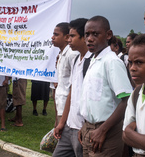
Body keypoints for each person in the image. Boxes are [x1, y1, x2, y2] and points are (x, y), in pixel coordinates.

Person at [78, 16, 133, 156]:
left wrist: (102, 130)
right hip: (89, 129)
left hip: (107, 132)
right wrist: (86, 127)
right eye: (87, 34)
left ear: (108, 35)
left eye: (95, 34)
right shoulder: (94, 60)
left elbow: (126, 101)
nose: (89, 39)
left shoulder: (112, 62)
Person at [53, 18, 91, 157]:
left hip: (81, 126)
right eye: (68, 36)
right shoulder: (77, 59)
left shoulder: (92, 62)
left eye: (72, 36)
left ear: (84, 37)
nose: (69, 40)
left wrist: (85, 126)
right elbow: (72, 91)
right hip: (69, 122)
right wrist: (62, 122)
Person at [51, 22, 78, 126]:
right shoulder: (62, 54)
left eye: (56, 35)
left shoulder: (72, 54)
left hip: (69, 107)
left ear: (66, 37)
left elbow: (75, 82)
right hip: (61, 104)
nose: (52, 37)